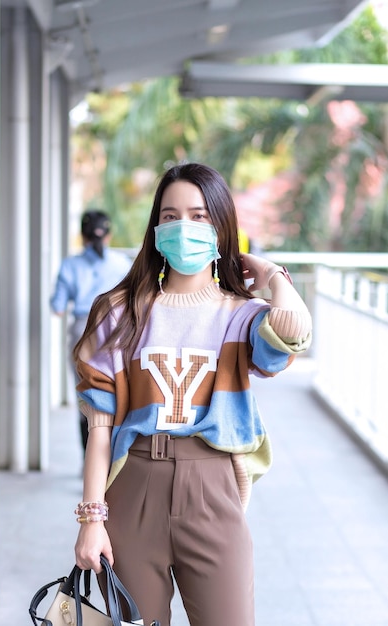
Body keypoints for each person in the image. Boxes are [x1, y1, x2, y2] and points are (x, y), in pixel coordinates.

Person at [73, 163, 312, 626]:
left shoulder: (243, 316)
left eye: (200, 216)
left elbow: (295, 331)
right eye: (170, 216)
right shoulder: (120, 313)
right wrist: (90, 520)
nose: (183, 227)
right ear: (155, 228)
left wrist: (272, 274)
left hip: (213, 487)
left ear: (222, 228)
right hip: (133, 487)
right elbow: (99, 428)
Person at [50, 210, 132, 452]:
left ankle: (89, 463)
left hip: (82, 333)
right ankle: (113, 459)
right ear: (109, 235)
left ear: (82, 236)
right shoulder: (122, 264)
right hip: (118, 332)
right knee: (119, 395)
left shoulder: (70, 265)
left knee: (86, 400)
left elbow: (57, 307)